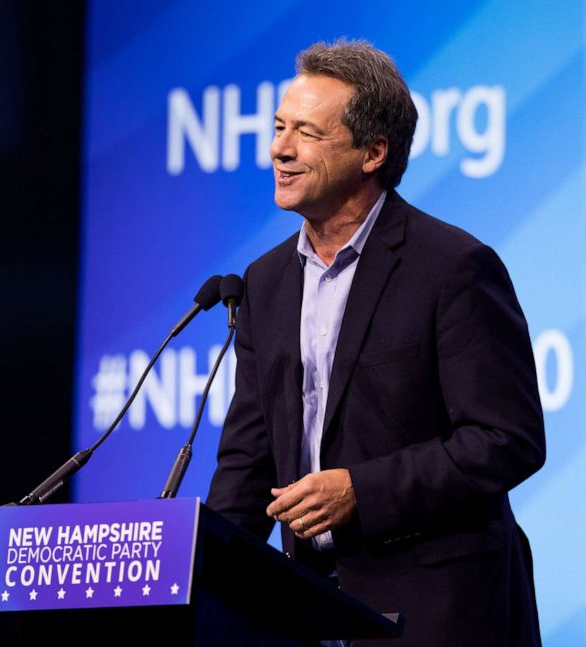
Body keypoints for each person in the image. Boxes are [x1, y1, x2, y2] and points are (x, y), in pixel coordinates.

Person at [206, 39, 545, 646]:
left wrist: (362, 492)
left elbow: (506, 441)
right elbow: (248, 460)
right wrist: (203, 582)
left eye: (306, 133)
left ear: (373, 152)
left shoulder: (452, 267)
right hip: (308, 608)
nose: (280, 149)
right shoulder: (265, 281)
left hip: (439, 609)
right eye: (279, 127)